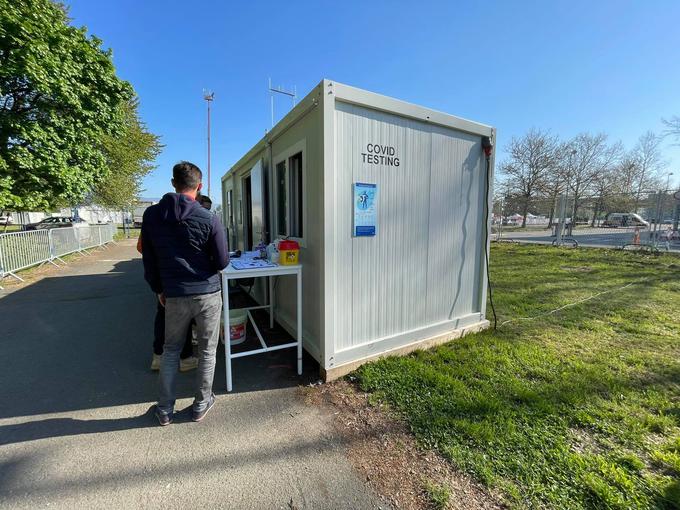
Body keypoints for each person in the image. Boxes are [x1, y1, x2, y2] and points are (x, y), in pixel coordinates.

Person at [141, 162, 229, 426]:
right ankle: (201, 404)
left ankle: (165, 409)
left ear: (172, 183)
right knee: (207, 351)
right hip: (207, 294)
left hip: (174, 294)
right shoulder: (208, 217)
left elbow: (149, 259)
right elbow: (223, 261)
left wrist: (158, 288)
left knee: (170, 351)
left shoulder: (152, 216)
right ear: (199, 186)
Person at [137, 236, 197, 372]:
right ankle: (185, 357)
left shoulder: (151, 217)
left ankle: (158, 357)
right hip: (181, 273)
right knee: (185, 315)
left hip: (162, 274)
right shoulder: (179, 217)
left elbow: (142, 247)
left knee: (163, 315)